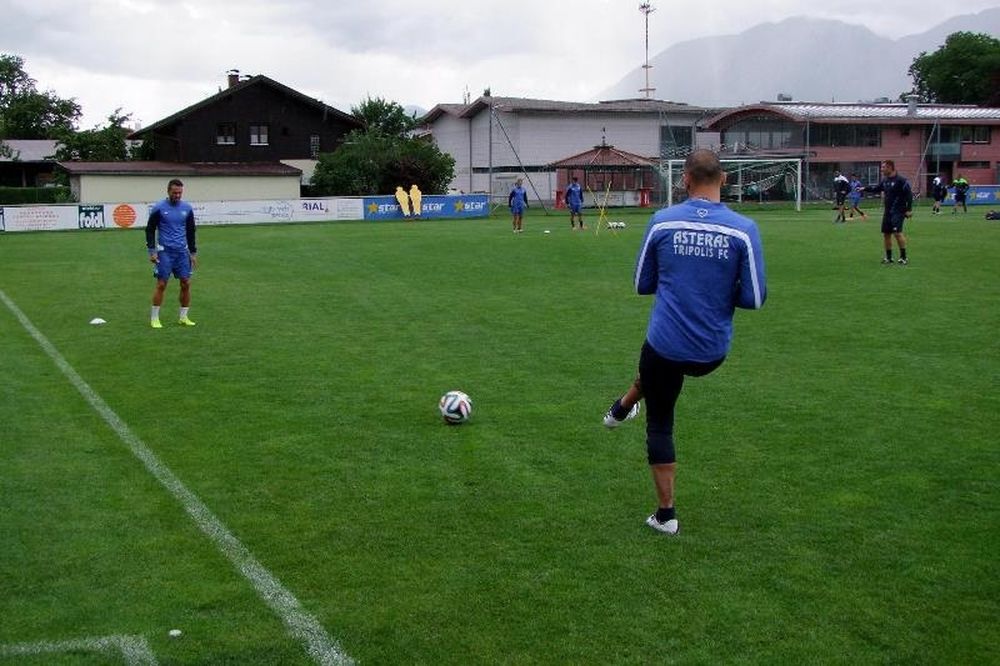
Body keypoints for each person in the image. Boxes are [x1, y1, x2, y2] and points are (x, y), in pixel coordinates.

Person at [603, 149, 767, 536]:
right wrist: (718, 290)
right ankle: (621, 408)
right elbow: (755, 298)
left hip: (667, 345)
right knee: (657, 375)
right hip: (712, 351)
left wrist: (681, 282)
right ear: (723, 179)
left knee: (661, 416)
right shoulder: (744, 229)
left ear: (685, 180)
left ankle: (666, 516)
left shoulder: (662, 222)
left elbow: (642, 284)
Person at [146, 178, 197, 328]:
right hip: (165, 252)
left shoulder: (187, 208)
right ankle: (155, 318)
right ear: (168, 191)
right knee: (161, 284)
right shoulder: (159, 208)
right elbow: (150, 229)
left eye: (180, 193)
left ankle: (183, 317)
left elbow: (190, 231)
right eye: (175, 192)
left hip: (182, 252)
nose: (178, 195)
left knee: (186, 283)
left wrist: (193, 253)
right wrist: (152, 251)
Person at [862, 159, 912, 265]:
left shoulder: (901, 180)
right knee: (886, 234)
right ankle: (889, 258)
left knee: (897, 233)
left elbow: (909, 195)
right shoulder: (885, 180)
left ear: (890, 167)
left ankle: (904, 257)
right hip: (887, 212)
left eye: (883, 167)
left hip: (898, 211)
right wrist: (864, 188)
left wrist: (909, 210)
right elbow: (876, 188)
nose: (881, 169)